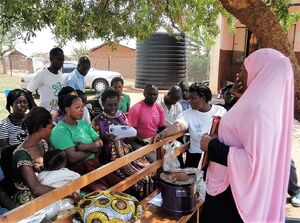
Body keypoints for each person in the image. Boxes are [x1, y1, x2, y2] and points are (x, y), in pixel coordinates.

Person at [200, 48, 294, 222]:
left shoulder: (257, 110)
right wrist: (238, 99)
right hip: (235, 189)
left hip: (232, 197)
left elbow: (252, 162)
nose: (239, 75)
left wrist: (210, 145)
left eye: (244, 69)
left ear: (261, 73)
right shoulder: (265, 105)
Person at [50, 95, 121, 191]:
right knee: (105, 195)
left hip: (95, 166)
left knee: (121, 184)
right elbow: (73, 158)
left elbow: (99, 143)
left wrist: (84, 147)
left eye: (82, 107)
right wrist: (93, 150)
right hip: (79, 173)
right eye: (77, 107)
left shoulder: (83, 123)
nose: (82, 110)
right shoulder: (60, 130)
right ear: (67, 109)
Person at [93, 89, 154, 198]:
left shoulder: (121, 117)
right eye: (109, 105)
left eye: (115, 105)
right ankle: (138, 204)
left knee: (150, 171)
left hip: (129, 154)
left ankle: (150, 203)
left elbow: (130, 137)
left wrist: (130, 137)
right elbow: (96, 146)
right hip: (112, 159)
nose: (113, 108)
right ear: (103, 103)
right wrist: (105, 139)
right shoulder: (97, 122)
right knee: (141, 179)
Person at [152, 83, 226, 168]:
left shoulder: (220, 111)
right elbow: (178, 126)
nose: (189, 101)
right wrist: (163, 134)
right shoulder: (187, 114)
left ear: (203, 98)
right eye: (189, 98)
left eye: (193, 98)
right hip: (195, 156)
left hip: (215, 157)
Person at [12, 107, 54, 204]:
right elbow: (36, 189)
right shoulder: (22, 155)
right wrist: (65, 192)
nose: (51, 130)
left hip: (46, 187)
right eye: (50, 127)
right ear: (40, 128)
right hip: (28, 198)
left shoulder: (42, 143)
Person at [37, 150, 81, 219]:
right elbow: (78, 182)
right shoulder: (71, 174)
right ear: (62, 164)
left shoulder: (41, 175)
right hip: (65, 207)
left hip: (46, 210)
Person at [27, 47, 64, 111]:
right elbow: (28, 92)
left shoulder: (60, 75)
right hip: (46, 114)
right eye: (58, 59)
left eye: (62, 59)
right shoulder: (42, 74)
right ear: (51, 58)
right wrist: (36, 109)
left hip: (58, 114)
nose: (61, 62)